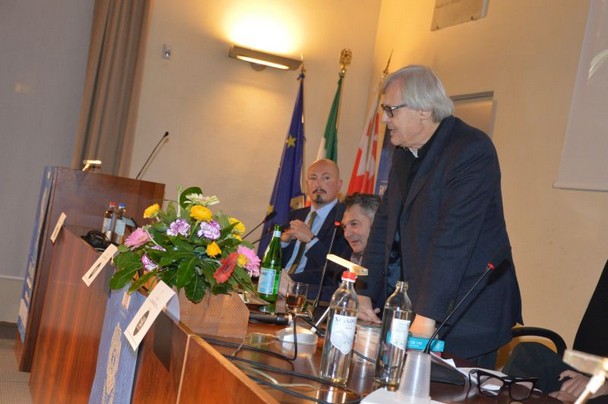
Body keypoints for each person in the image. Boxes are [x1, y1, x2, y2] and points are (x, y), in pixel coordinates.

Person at [356, 65, 522, 368]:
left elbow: (453, 242)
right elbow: (383, 226)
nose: (385, 119)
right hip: (423, 302)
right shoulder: (404, 153)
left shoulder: (471, 151)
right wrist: (363, 291)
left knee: (451, 392)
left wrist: (425, 317)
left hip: (468, 312)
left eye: (391, 110)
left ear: (424, 110)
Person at [279, 193, 381, 302]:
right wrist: (285, 279)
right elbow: (324, 274)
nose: (347, 234)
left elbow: (348, 295)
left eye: (354, 224)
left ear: (377, 223)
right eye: (344, 227)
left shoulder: (383, 261)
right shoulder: (350, 251)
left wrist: (294, 289)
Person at [280, 158, 349, 279]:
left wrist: (310, 240)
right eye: (313, 178)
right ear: (307, 184)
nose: (318, 184)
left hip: (307, 287)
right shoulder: (295, 215)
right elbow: (272, 262)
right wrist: (283, 243)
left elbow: (337, 270)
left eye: (326, 178)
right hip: (279, 282)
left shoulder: (345, 219)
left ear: (339, 184)